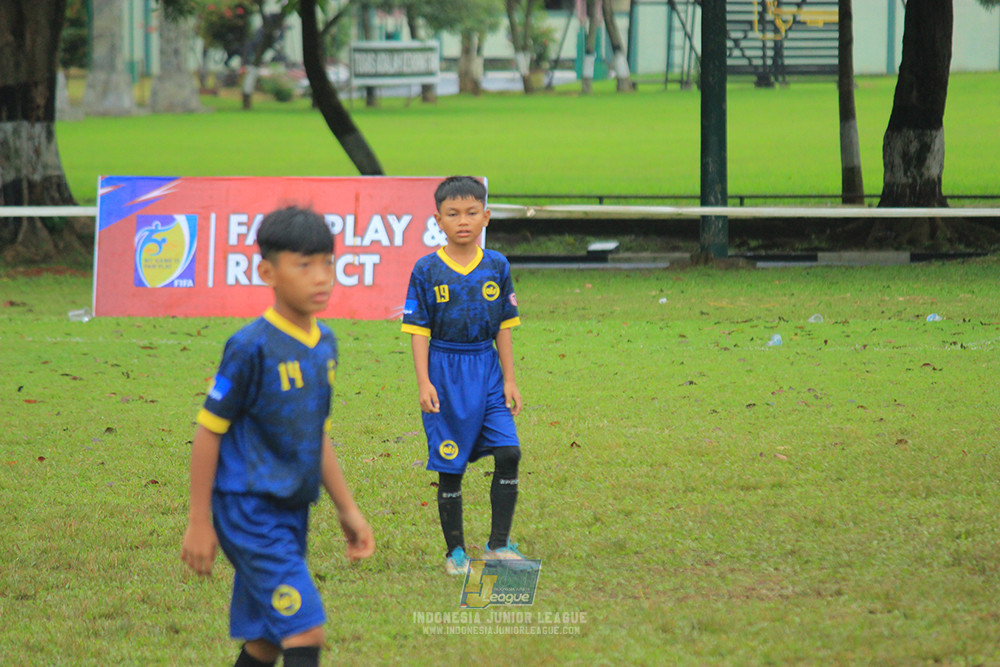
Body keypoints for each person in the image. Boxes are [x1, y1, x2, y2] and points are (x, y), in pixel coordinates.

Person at [181, 206, 375, 667]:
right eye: (303, 265)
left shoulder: (325, 343)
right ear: (266, 271)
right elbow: (209, 432)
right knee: (305, 629)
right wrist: (198, 520)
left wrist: (348, 510)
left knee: (265, 641)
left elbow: (317, 436)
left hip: (291, 509)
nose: (321, 276)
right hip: (248, 508)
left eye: (327, 262)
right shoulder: (250, 346)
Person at [401, 176, 535, 575]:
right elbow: (418, 332)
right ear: (437, 220)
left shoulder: (497, 265)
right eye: (453, 214)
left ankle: (499, 545)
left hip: (487, 369)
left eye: (472, 213)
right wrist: (424, 382)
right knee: (450, 466)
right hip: (444, 370)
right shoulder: (426, 270)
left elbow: (505, 327)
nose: (463, 221)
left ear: (486, 217)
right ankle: (456, 552)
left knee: (509, 452)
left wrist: (510, 379)